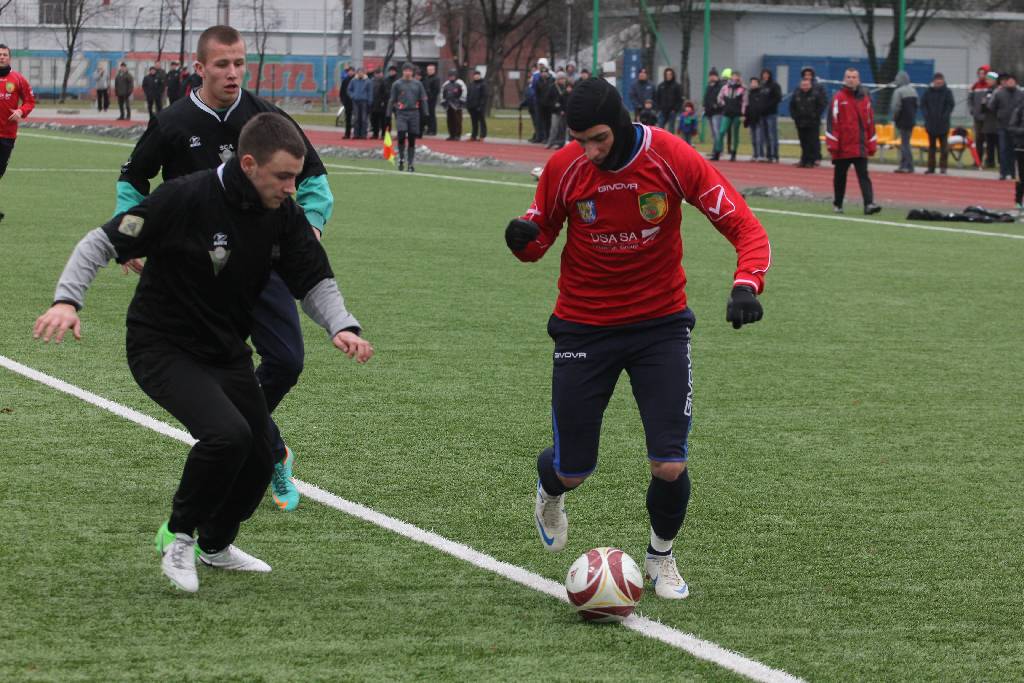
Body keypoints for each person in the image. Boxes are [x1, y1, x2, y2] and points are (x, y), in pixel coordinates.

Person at [34, 113, 373, 594]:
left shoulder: (283, 213)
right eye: (282, 176)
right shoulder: (185, 197)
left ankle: (215, 544)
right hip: (161, 346)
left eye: (296, 177)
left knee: (261, 456)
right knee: (227, 436)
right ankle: (179, 535)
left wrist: (342, 324)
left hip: (225, 351)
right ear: (249, 164)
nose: (291, 188)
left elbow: (314, 277)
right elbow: (101, 242)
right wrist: (67, 301)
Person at [503, 77, 770, 601]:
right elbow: (538, 239)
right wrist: (521, 240)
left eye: (599, 139)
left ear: (621, 123)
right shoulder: (565, 167)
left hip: (660, 326)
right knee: (573, 469)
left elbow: (746, 227)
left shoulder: (670, 157)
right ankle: (551, 490)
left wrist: (746, 284)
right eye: (580, 140)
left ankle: (660, 557)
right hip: (583, 325)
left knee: (669, 463)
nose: (590, 151)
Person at [114, 25, 337, 513]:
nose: (233, 73)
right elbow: (133, 180)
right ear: (200, 68)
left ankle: (256, 438)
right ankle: (270, 450)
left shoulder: (268, 120)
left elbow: (316, 181)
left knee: (287, 361)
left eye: (239, 63)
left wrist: (311, 227)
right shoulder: (172, 122)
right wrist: (132, 235)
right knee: (214, 366)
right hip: (197, 275)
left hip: (262, 263)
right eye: (222, 64)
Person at [826, 68, 881, 215]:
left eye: (854, 77)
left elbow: (870, 123)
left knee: (864, 176)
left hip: (860, 146)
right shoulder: (838, 98)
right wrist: (833, 144)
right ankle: (838, 204)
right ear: (844, 79)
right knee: (840, 177)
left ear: (858, 79)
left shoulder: (865, 99)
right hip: (842, 147)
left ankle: (869, 204)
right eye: (848, 77)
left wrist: (871, 143)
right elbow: (832, 122)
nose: (851, 79)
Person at [0, 43, 35, 224]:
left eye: (4, 54)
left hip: (7, 135)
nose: (1, 57)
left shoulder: (18, 79)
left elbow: (30, 101)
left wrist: (21, 111)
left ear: (9, 58)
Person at [387, 62, 429, 171]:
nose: (408, 73)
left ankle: (410, 163)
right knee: (401, 134)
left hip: (414, 113)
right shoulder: (397, 84)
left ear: (412, 72)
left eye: (410, 71)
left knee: (412, 138)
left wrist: (426, 112)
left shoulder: (418, 84)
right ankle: (401, 158)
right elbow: (392, 99)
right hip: (401, 113)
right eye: (406, 70)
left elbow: (423, 98)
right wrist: (388, 113)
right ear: (403, 71)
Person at [991, 73, 1024, 180]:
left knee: (1014, 151)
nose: (1010, 83)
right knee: (1003, 150)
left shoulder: (1020, 94)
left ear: (1015, 82)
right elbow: (992, 106)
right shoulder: (999, 93)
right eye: (1008, 81)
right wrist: (999, 115)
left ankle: (1013, 172)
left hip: (1015, 128)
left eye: (1012, 81)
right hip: (1003, 126)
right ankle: (1003, 172)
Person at [920, 72, 954, 175]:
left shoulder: (947, 92)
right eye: (937, 80)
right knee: (931, 147)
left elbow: (950, 105)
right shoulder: (928, 92)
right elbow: (923, 105)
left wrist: (945, 116)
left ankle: (943, 167)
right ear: (934, 81)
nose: (938, 82)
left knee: (944, 147)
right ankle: (931, 167)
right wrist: (927, 116)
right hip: (931, 124)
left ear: (943, 81)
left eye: (940, 80)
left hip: (943, 124)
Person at [712, 69, 745, 161]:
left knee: (735, 133)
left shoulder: (742, 89)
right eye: (733, 75)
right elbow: (719, 97)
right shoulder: (725, 87)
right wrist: (724, 104)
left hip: (737, 114)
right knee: (722, 131)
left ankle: (734, 153)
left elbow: (745, 102)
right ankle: (717, 152)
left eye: (737, 76)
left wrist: (743, 113)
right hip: (727, 113)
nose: (735, 78)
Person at [791, 77, 824, 168]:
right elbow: (792, 106)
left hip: (812, 123)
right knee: (803, 142)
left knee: (811, 142)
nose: (805, 87)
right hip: (800, 122)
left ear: (810, 85)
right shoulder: (797, 94)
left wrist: (815, 115)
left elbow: (821, 106)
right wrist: (795, 116)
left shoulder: (815, 94)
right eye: (803, 85)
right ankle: (804, 159)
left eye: (806, 85)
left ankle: (811, 160)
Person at [890, 70, 918, 173]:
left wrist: (894, 118)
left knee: (904, 144)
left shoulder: (898, 92)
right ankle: (905, 165)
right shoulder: (913, 91)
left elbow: (895, 107)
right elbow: (917, 105)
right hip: (911, 120)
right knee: (906, 143)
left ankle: (907, 165)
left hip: (902, 120)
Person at [800, 66, 828, 164]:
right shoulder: (800, 87)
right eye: (806, 75)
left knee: (814, 139)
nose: (807, 76)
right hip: (802, 119)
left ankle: (816, 157)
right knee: (804, 139)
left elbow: (823, 102)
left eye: (809, 75)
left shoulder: (818, 87)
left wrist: (817, 114)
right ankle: (805, 158)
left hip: (814, 118)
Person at [758, 68, 782, 162]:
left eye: (767, 74)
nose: (765, 76)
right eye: (764, 74)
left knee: (772, 135)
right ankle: (767, 154)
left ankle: (774, 154)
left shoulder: (774, 85)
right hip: (762, 114)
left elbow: (778, 98)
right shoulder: (761, 85)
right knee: (765, 135)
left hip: (771, 113)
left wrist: (768, 106)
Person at [968, 65, 991, 163]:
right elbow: (970, 100)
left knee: (988, 140)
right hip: (977, 118)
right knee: (978, 139)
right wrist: (972, 110)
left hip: (987, 118)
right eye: (980, 73)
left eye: (983, 74)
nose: (981, 75)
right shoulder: (975, 86)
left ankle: (989, 160)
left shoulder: (990, 86)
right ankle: (977, 160)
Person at [979, 72, 1000, 169]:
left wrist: (989, 105)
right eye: (987, 79)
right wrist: (983, 104)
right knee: (989, 145)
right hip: (988, 122)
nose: (988, 81)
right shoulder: (987, 91)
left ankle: (1001, 162)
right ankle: (990, 162)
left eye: (989, 79)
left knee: (999, 144)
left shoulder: (999, 91)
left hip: (997, 122)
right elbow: (983, 109)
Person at [1008, 99, 1024, 215]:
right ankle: (1018, 201)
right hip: (1021, 147)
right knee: (1021, 176)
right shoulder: (1019, 109)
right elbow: (1012, 127)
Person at [347, 67, 372, 139]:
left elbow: (370, 92)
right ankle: (356, 134)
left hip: (364, 101)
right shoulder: (353, 81)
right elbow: (349, 90)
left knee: (364, 119)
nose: (360, 74)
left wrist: (370, 101)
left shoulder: (368, 81)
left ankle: (363, 134)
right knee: (356, 118)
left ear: (364, 73)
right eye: (359, 72)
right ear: (357, 73)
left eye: (361, 72)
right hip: (355, 101)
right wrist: (353, 96)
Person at [655, 67, 682, 134]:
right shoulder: (661, 86)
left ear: (673, 75)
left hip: (672, 112)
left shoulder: (677, 86)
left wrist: (675, 110)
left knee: (671, 129)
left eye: (670, 74)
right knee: (660, 129)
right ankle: (661, 140)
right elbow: (657, 98)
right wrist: (658, 109)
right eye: (667, 74)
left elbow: (679, 99)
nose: (668, 76)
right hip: (662, 111)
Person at [745, 76, 766, 161]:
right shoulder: (750, 94)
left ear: (758, 84)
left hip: (759, 119)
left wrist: (759, 115)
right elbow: (748, 107)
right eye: (752, 83)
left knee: (759, 138)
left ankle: (761, 155)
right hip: (751, 119)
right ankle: (755, 154)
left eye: (755, 82)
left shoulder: (761, 93)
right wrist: (747, 119)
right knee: (753, 139)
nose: (753, 84)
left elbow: (762, 106)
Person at [441, 69, 465, 141]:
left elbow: (464, 92)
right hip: (448, 104)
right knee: (450, 120)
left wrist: (461, 101)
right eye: (450, 76)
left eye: (453, 76)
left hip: (457, 104)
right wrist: (443, 101)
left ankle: (457, 135)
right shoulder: (446, 84)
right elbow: (442, 93)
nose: (451, 77)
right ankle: (451, 134)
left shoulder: (460, 83)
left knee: (457, 120)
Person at [466, 69, 488, 142]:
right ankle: (473, 136)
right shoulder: (471, 84)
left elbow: (484, 96)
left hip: (479, 107)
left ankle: (482, 136)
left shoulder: (483, 84)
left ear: (480, 76)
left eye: (478, 75)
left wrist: (481, 106)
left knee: (482, 121)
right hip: (471, 106)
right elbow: (468, 95)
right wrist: (468, 105)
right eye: (475, 75)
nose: (476, 76)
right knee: (474, 122)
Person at [703, 68, 724, 144]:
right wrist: (704, 106)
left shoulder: (720, 86)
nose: (712, 77)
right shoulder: (709, 86)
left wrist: (716, 105)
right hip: (709, 112)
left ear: (717, 76)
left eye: (714, 75)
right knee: (713, 133)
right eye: (711, 76)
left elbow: (722, 98)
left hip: (717, 112)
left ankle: (719, 148)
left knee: (717, 131)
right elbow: (706, 98)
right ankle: (715, 147)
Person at [423, 63, 441, 136]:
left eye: (431, 70)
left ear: (434, 70)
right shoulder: (426, 78)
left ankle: (433, 130)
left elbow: (436, 90)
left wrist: (431, 97)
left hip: (432, 100)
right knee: (427, 115)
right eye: (428, 70)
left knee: (432, 114)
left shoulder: (436, 78)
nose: (429, 71)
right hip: (425, 99)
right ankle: (428, 129)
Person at [370, 69, 388, 139]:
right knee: (374, 119)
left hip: (381, 103)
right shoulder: (372, 81)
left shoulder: (384, 81)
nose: (378, 75)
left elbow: (386, 93)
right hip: (373, 103)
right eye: (376, 73)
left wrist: (383, 101)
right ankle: (375, 134)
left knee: (383, 120)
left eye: (379, 73)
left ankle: (383, 134)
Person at [339, 65, 355, 139]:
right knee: (348, 119)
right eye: (349, 71)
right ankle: (347, 134)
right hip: (347, 102)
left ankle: (357, 134)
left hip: (355, 102)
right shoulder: (345, 80)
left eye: (352, 71)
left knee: (357, 119)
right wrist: (343, 100)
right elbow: (342, 92)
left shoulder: (356, 80)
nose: (350, 72)